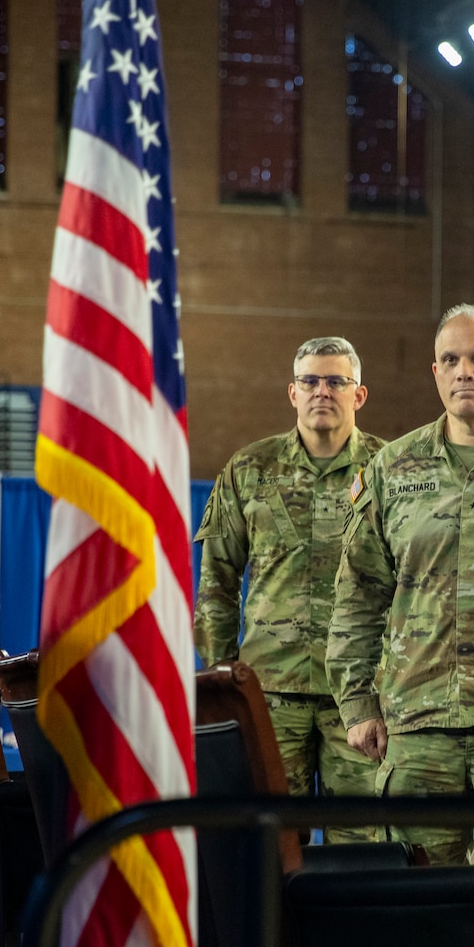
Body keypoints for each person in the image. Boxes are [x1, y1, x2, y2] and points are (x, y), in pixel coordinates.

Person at [329, 304, 474, 866]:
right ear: (434, 372)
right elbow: (359, 595)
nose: (464, 371)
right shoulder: (394, 468)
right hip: (417, 726)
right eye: (450, 359)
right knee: (422, 910)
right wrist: (357, 705)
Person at [194, 336, 386, 842]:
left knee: (361, 846)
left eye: (335, 381)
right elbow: (217, 582)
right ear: (293, 393)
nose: (322, 390)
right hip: (270, 696)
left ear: (358, 395)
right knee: (271, 847)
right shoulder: (249, 470)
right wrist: (222, 679)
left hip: (361, 701)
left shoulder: (394, 470)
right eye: (310, 381)